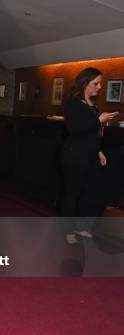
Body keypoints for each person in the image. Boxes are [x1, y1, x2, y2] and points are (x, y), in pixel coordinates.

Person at [61, 67, 118, 243]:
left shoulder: (92, 104)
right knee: (71, 194)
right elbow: (75, 129)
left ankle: (81, 227)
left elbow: (93, 133)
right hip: (75, 155)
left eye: (100, 83)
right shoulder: (73, 103)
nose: (99, 87)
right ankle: (68, 231)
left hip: (91, 155)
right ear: (85, 83)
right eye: (96, 83)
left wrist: (99, 150)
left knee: (92, 192)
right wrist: (98, 119)